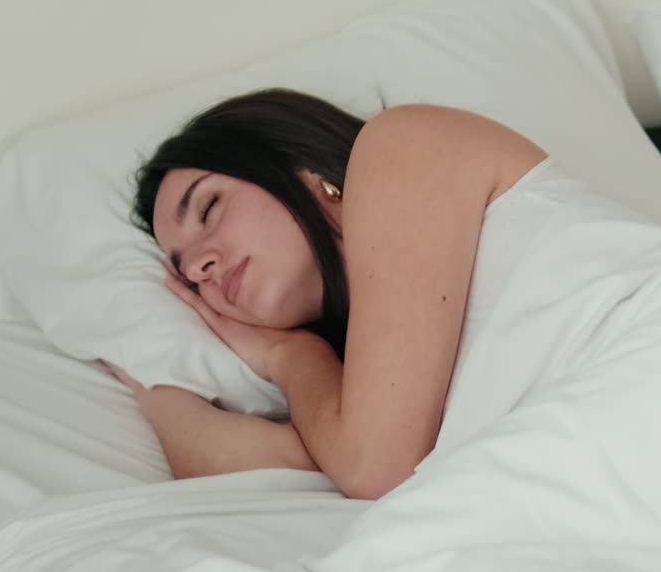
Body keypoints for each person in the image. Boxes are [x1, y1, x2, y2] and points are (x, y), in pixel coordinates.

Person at [109, 87, 546, 498]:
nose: (200, 268)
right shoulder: (352, 395)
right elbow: (272, 463)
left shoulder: (404, 143)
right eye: (186, 275)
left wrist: (292, 356)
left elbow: (370, 467)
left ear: (305, 165)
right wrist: (152, 387)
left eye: (209, 207)